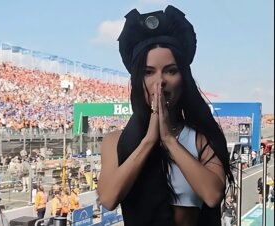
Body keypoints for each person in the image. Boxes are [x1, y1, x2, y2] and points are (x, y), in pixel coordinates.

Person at [97, 5, 234, 226]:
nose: (160, 82)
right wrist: (149, 141)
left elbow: (212, 194)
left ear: (184, 78)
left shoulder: (200, 138)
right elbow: (108, 198)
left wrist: (169, 140)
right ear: (137, 80)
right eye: (148, 72)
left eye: (170, 70)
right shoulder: (115, 142)